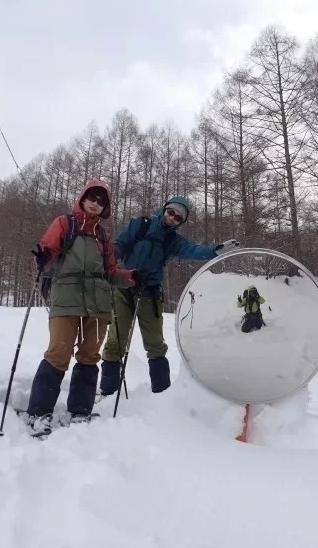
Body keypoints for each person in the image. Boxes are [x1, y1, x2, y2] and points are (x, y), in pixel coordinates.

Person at [24, 179, 136, 435]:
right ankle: (39, 412)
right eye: (92, 198)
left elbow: (110, 272)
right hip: (67, 299)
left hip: (98, 305)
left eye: (101, 201)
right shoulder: (65, 223)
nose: (95, 204)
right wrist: (43, 257)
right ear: (83, 198)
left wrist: (131, 277)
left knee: (89, 357)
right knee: (58, 354)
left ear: (105, 207)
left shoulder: (103, 236)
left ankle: (80, 411)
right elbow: (48, 251)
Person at [98, 197, 239, 397]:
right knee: (115, 341)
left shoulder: (173, 240)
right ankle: (107, 391)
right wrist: (107, 260)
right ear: (164, 209)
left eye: (178, 218)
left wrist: (214, 251)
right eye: (171, 212)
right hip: (124, 287)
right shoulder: (140, 225)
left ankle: (162, 395)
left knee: (155, 345)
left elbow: (192, 250)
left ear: (181, 222)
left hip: (150, 293)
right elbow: (120, 245)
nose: (172, 218)